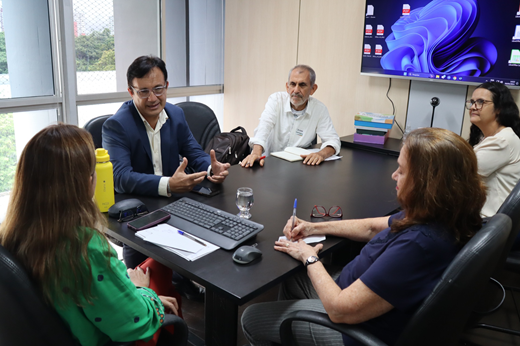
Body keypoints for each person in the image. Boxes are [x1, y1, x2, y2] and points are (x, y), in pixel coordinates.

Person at [241, 128, 486, 346]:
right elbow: (372, 227)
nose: (394, 175)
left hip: (356, 328)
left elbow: (339, 310)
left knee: (251, 317)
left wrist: (310, 258)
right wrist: (314, 228)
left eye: (401, 170)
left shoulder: (419, 243)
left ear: (426, 183)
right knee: (291, 277)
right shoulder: (441, 212)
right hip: (358, 294)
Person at [0, 124, 179, 346]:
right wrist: (143, 291)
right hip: (115, 338)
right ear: (84, 183)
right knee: (159, 269)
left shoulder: (12, 232)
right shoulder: (84, 248)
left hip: (65, 326)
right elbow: (138, 324)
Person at [102, 56, 230, 293]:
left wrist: (212, 168)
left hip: (175, 203)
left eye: (158, 89)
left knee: (215, 236)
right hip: (138, 210)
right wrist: (168, 184)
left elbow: (193, 151)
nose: (153, 98)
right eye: (144, 91)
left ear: (167, 86)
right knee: (149, 286)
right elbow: (120, 177)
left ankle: (185, 279)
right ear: (131, 91)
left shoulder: (175, 114)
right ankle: (172, 283)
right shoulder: (117, 125)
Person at [241, 65, 341, 168]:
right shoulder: (276, 100)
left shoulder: (319, 109)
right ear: (287, 87)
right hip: (268, 164)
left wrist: (321, 154)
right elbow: (263, 128)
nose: (296, 90)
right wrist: (256, 153)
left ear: (313, 89)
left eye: (302, 85)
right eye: (293, 84)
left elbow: (333, 141)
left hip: (298, 167)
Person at [467, 81, 520, 218]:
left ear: (499, 108)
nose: (473, 107)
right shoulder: (488, 138)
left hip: (485, 220)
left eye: (481, 102)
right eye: (472, 102)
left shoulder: (502, 141)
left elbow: (461, 174)